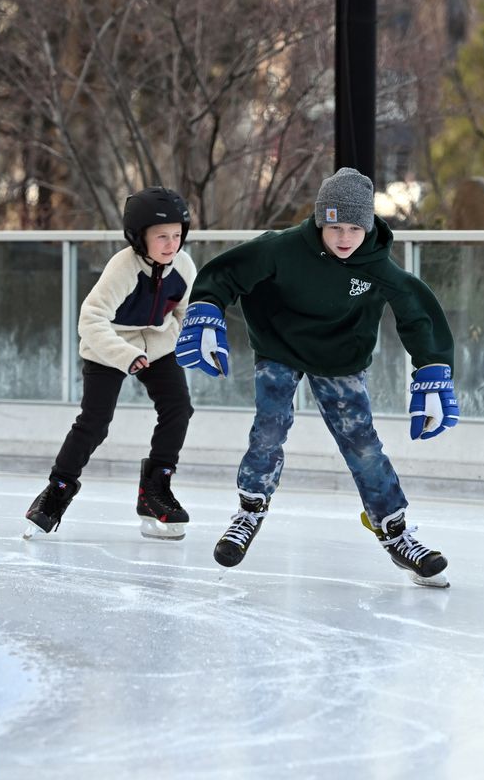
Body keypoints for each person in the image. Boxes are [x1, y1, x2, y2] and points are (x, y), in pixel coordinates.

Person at [176, 167, 459, 587]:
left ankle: (394, 531)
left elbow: (417, 312)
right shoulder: (282, 249)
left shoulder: (377, 265)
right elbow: (226, 273)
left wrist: (433, 370)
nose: (344, 237)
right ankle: (250, 510)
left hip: (340, 357)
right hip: (279, 347)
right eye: (334, 226)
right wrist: (205, 309)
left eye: (353, 228)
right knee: (269, 428)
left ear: (367, 226)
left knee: (362, 443)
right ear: (319, 222)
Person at [24, 186, 197, 541]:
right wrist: (126, 354)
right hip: (109, 346)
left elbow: (184, 311)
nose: (171, 244)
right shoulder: (123, 267)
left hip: (157, 346)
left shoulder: (183, 265)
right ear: (139, 238)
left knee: (178, 407)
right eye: (161, 237)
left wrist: (175, 339)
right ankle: (57, 491)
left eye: (177, 235)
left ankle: (156, 489)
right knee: (95, 422)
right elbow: (90, 319)